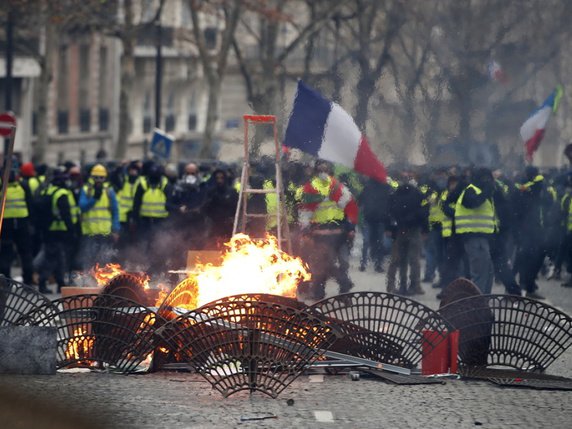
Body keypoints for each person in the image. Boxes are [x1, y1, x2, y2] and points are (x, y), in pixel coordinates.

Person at [297, 159, 358, 300]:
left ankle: (325, 291)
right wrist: (350, 227)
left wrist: (304, 229)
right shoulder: (339, 187)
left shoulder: (312, 188)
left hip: (326, 233)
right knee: (329, 264)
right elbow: (350, 208)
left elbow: (305, 212)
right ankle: (341, 289)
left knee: (323, 264)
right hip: (334, 233)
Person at [34, 168, 77, 293]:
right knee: (53, 259)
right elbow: (66, 214)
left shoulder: (48, 190)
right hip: (59, 230)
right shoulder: (62, 193)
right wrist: (71, 230)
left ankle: (60, 283)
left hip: (48, 230)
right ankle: (43, 282)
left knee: (57, 258)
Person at [454, 168, 496, 295]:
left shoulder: (481, 191)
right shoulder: (470, 190)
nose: (489, 181)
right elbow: (473, 203)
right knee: (480, 275)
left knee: (488, 273)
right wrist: (486, 192)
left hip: (481, 238)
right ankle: (477, 306)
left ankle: (483, 304)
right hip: (473, 238)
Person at [386, 173, 427, 295]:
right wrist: (425, 229)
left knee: (400, 259)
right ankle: (415, 285)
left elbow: (390, 212)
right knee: (414, 260)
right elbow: (424, 213)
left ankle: (402, 285)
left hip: (399, 230)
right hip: (413, 230)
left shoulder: (395, 194)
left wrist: (390, 228)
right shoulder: (418, 194)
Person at [512, 167, 549, 299]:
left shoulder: (535, 189)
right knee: (524, 258)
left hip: (537, 229)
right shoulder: (522, 189)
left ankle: (528, 285)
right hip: (525, 230)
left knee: (536, 258)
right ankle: (520, 286)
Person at [78, 164, 120, 268]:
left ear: (105, 178)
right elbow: (82, 206)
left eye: (101, 177)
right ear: (92, 177)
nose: (98, 180)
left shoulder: (109, 191)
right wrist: (94, 198)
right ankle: (88, 281)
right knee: (89, 260)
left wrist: (115, 230)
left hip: (105, 233)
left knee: (104, 260)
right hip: (90, 232)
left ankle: (102, 282)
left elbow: (115, 211)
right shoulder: (86, 190)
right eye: (96, 177)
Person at [0, 169, 34, 285]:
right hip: (22, 223)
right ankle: (28, 281)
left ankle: (5, 281)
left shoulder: (2, 188)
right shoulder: (23, 186)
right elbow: (30, 204)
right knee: (25, 253)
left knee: (5, 253)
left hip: (5, 224)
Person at [358, 177, 391, 272]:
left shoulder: (367, 187)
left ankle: (364, 263)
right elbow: (389, 205)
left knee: (367, 242)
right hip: (379, 219)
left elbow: (360, 201)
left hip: (370, 218)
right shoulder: (386, 188)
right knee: (378, 242)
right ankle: (378, 264)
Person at [204, 168, 239, 247]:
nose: (219, 181)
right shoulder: (210, 192)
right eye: (217, 178)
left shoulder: (232, 192)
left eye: (222, 178)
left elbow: (237, 207)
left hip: (228, 225)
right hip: (214, 225)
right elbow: (205, 208)